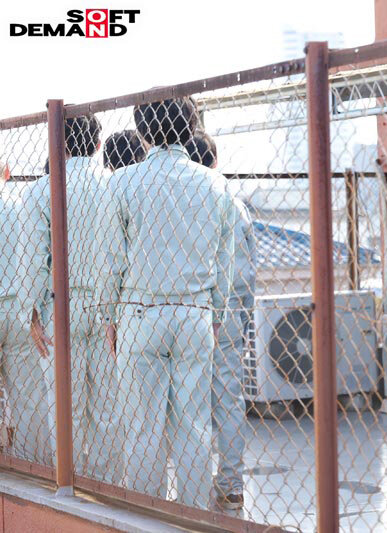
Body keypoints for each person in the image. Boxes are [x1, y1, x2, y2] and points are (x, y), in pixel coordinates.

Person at [97, 97, 236, 508]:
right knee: (193, 424)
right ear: (190, 128)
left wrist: (109, 318)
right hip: (195, 311)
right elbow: (224, 261)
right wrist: (216, 314)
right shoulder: (216, 185)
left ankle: (146, 515)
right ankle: (194, 514)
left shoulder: (122, 183)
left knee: (143, 426)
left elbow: (111, 260)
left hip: (139, 311)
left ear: (143, 131)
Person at [18, 113, 121, 482]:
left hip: (59, 303)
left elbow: (34, 259)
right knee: (109, 408)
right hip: (107, 305)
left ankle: (70, 483)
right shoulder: (113, 184)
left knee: (65, 405)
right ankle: (108, 486)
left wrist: (31, 313)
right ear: (98, 144)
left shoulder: (40, 191)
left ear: (58, 144)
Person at [186, 130, 256, 510]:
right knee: (229, 397)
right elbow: (250, 268)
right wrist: (244, 315)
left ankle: (194, 484)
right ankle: (231, 484)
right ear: (215, 161)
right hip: (230, 309)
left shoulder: (188, 200)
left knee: (190, 398)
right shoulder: (235, 203)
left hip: (195, 306)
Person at [0, 160, 51, 464]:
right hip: (19, 307)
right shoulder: (21, 206)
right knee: (29, 398)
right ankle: (32, 465)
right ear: (6, 171)